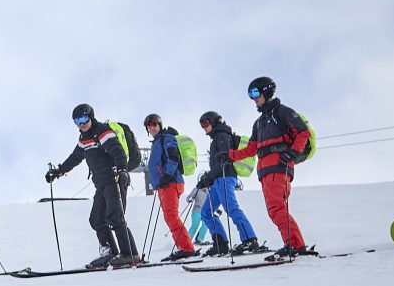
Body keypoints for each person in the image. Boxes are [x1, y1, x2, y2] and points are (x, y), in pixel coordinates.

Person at [45, 105, 139, 269]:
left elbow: (117, 151)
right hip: (101, 183)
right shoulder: (84, 139)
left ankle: (130, 254)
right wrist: (58, 171)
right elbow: (75, 157)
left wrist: (123, 170)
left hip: (114, 179)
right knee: (96, 219)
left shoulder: (102, 132)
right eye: (77, 121)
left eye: (83, 120)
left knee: (115, 217)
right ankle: (110, 252)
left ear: (91, 117)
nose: (81, 124)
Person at [230, 75, 314, 257]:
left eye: (254, 93)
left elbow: (303, 132)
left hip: (279, 166)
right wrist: (230, 156)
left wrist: (292, 153)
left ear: (266, 91)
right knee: (274, 210)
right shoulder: (259, 123)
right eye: (250, 95)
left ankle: (296, 245)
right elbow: (252, 148)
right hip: (265, 170)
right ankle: (293, 244)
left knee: (276, 208)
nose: (253, 98)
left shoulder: (281, 112)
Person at [194, 111, 264, 256]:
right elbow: (217, 164)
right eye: (202, 125)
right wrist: (208, 179)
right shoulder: (216, 138)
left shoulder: (222, 136)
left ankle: (250, 239)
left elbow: (224, 160)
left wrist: (209, 177)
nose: (204, 127)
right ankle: (221, 243)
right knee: (206, 212)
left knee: (231, 208)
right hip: (217, 180)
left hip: (225, 177)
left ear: (214, 122)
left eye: (206, 123)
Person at [143, 114, 198, 261]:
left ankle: (186, 248)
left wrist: (167, 174)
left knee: (171, 216)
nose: (152, 127)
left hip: (171, 182)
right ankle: (183, 247)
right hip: (164, 184)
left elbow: (174, 156)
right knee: (169, 216)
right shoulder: (156, 142)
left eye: (154, 124)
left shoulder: (166, 138)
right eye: (149, 125)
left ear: (160, 125)